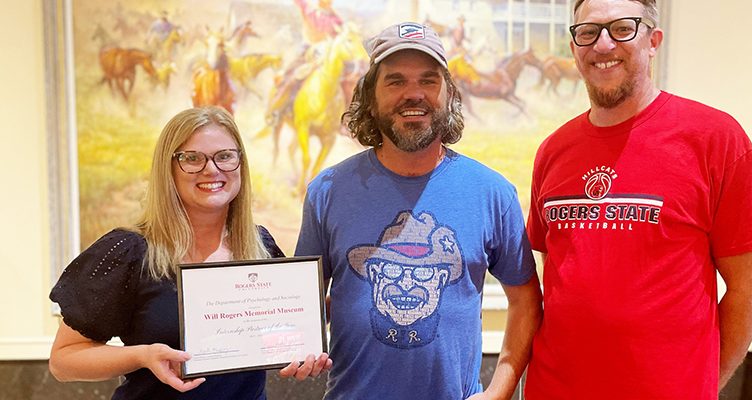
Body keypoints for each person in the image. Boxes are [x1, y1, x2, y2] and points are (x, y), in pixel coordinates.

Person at [524, 0, 752, 398]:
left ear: (653, 41)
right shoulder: (553, 151)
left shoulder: (714, 138)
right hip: (554, 389)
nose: (603, 44)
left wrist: (701, 384)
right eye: (588, 32)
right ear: (575, 47)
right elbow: (558, 271)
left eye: (622, 28)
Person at [294, 22, 543, 399]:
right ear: (371, 98)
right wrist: (290, 340)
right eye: (395, 82)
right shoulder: (327, 191)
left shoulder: (492, 192)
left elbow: (525, 299)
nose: (414, 94)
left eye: (428, 81)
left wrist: (499, 391)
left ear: (449, 94)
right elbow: (303, 299)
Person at [49, 106, 330, 399]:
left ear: (240, 164)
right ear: (168, 168)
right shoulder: (129, 252)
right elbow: (63, 361)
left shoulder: (260, 246)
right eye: (192, 159)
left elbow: (286, 328)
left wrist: (300, 354)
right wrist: (142, 356)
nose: (211, 169)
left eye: (224, 156)